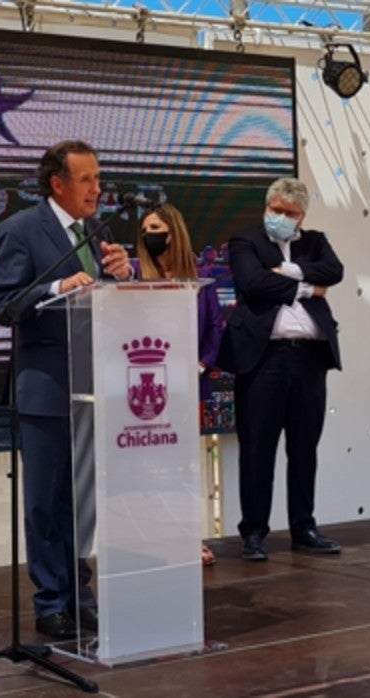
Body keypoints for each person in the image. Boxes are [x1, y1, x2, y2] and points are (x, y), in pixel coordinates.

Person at [0, 140, 133, 640]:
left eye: (98, 177)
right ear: (58, 183)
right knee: (47, 501)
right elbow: (0, 304)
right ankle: (51, 600)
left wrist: (122, 276)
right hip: (46, 386)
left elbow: (103, 304)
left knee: (83, 500)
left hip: (95, 385)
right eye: (87, 179)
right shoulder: (21, 230)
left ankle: (80, 594)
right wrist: (55, 289)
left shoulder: (99, 231)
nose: (97, 188)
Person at [217, 177, 344, 562]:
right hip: (264, 358)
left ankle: (303, 526)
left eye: (290, 214)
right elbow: (251, 283)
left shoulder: (315, 241)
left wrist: (284, 272)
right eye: (276, 211)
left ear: (302, 215)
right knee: (258, 448)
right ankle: (254, 531)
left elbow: (334, 271)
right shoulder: (246, 241)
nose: (281, 218)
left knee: (304, 446)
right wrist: (307, 286)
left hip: (309, 358)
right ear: (266, 206)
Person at [135, 204, 224, 566]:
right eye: (143, 228)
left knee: (182, 468)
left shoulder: (199, 279)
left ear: (173, 231)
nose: (147, 234)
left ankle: (189, 538)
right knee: (148, 467)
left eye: (154, 226)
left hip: (186, 388)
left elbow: (215, 328)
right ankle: (153, 539)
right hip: (144, 389)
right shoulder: (134, 275)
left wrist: (201, 366)